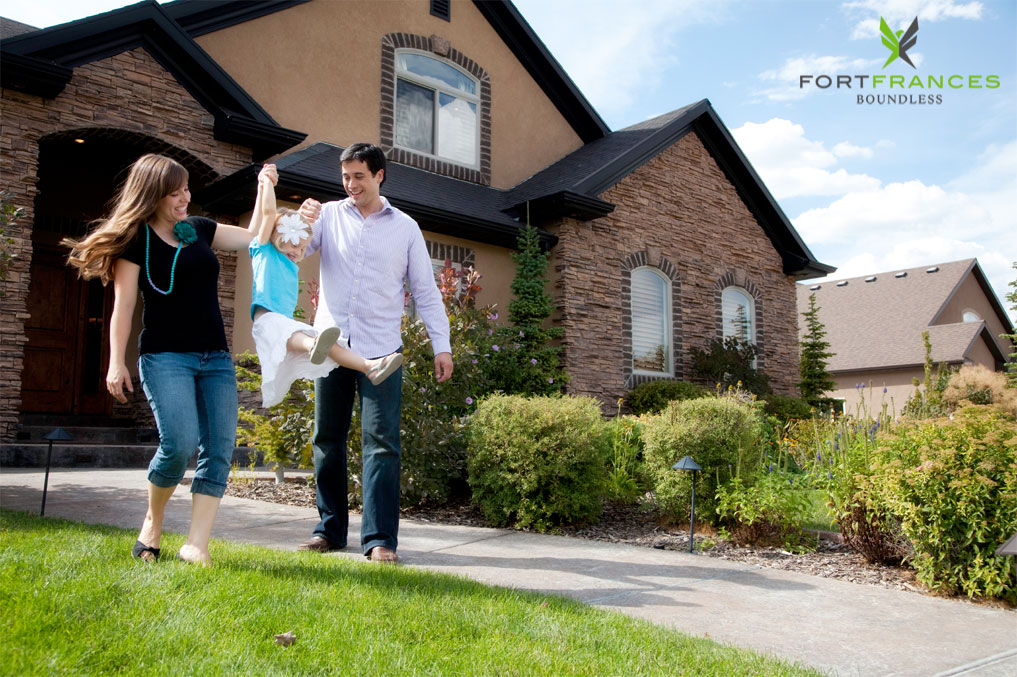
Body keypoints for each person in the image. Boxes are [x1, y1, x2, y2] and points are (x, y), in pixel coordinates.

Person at [63, 153, 313, 566]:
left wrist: (265, 185)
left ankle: (197, 544)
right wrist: (115, 362)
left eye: (186, 188)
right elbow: (123, 307)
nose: (185, 196)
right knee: (178, 445)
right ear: (153, 194)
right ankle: (153, 520)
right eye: (175, 191)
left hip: (214, 356)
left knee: (219, 448)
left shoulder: (198, 229)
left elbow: (254, 235)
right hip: (164, 356)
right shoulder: (134, 242)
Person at [298, 143, 452, 563]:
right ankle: (329, 530)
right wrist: (297, 220)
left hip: (382, 351)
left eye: (359, 176)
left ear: (379, 175)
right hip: (331, 348)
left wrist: (442, 345)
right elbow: (292, 248)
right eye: (345, 176)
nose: (350, 185)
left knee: (382, 443)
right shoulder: (328, 216)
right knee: (327, 439)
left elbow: (424, 290)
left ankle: (380, 539)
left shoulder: (405, 228)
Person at [248, 164, 403, 408]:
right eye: (291, 246)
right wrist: (266, 183)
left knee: (331, 343)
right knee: (312, 340)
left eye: (301, 249)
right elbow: (268, 214)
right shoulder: (263, 250)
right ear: (275, 239)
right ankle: (313, 347)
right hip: (266, 321)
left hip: (286, 325)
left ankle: (370, 366)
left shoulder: (291, 265)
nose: (297, 253)